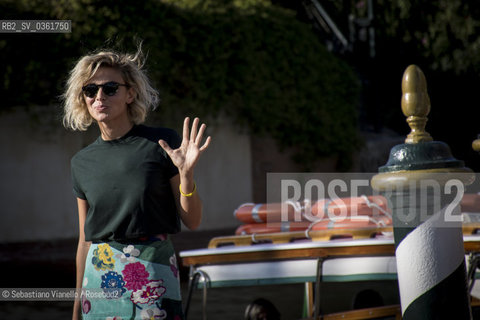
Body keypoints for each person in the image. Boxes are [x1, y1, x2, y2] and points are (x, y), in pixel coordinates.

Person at [63, 46, 211, 320]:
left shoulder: (162, 144)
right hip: (99, 277)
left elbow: (193, 220)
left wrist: (187, 176)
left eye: (110, 88)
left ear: (130, 93)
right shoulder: (81, 162)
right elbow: (85, 241)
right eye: (90, 90)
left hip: (153, 271)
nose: (99, 97)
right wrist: (76, 309)